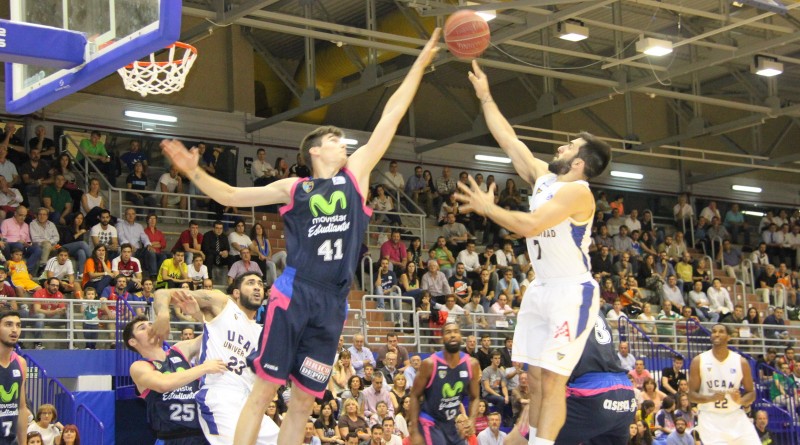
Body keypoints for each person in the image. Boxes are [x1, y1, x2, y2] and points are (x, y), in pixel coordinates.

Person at [164, 30, 440, 445]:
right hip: (296, 292)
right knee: (263, 390)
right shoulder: (295, 188)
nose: (343, 143)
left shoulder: (357, 176)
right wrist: (193, 172)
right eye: (334, 140)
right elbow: (230, 195)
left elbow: (391, 116)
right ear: (314, 151)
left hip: (334, 302)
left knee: (304, 404)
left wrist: (419, 63)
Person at [463, 61, 611, 444]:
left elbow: (529, 226)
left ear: (578, 162)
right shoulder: (545, 177)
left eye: (569, 146)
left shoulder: (578, 193)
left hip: (571, 291)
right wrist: (485, 96)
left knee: (556, 379)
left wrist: (489, 209)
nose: (561, 147)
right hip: (541, 288)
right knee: (536, 376)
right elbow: (509, 139)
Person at [150, 273, 279, 445]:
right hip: (220, 395)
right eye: (250, 283)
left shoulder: (261, 332)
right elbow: (162, 294)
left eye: (260, 284)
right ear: (236, 292)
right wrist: (164, 316)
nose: (257, 287)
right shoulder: (222, 304)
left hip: (249, 400)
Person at [125, 315, 227, 444]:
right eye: (142, 328)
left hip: (203, 435)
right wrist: (204, 368)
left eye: (150, 324)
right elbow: (163, 384)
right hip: (171, 438)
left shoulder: (180, 350)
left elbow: (214, 333)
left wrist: (198, 313)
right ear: (133, 342)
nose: (150, 328)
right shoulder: (139, 366)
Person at [407, 322, 481, 445]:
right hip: (430, 422)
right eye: (448, 332)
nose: (453, 335)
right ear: (442, 338)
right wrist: (414, 431)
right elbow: (414, 396)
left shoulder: (471, 364)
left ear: (461, 336)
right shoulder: (429, 364)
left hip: (451, 423)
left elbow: (475, 397)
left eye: (456, 331)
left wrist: (472, 420)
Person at [688, 324, 760, 445]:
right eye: (714, 331)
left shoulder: (741, 361)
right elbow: (691, 395)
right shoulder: (699, 361)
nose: (716, 334)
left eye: (721, 331)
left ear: (728, 337)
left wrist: (740, 400)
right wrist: (710, 398)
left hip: (736, 416)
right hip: (710, 418)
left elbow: (751, 393)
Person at [0, 311, 27, 445]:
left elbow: (21, 407)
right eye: (8, 324)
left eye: (18, 325)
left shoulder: (20, 363)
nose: (14, 330)